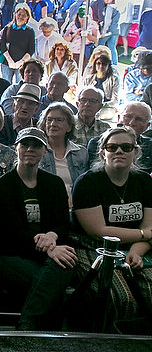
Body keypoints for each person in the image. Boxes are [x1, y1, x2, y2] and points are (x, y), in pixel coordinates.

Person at [0, 127, 75, 331]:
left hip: (47, 253)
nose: (30, 149)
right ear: (16, 148)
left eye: (36, 145)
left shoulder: (54, 183)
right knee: (52, 279)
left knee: (65, 264)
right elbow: (10, 233)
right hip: (9, 255)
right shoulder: (4, 185)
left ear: (44, 151)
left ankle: (26, 324)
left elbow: (63, 223)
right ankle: (42, 329)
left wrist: (52, 236)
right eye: (25, 144)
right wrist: (49, 248)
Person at [72, 126, 152, 325]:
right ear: (102, 152)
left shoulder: (144, 182)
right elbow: (100, 232)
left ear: (136, 152)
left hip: (137, 248)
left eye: (126, 147)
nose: (119, 152)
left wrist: (136, 252)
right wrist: (142, 235)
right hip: (94, 248)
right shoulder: (88, 182)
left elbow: (149, 229)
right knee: (121, 297)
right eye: (112, 147)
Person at [37, 102, 88, 202]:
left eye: (59, 120)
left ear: (69, 127)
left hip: (76, 205)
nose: (53, 124)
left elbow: (86, 186)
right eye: (49, 120)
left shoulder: (81, 153)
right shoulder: (37, 151)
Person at [87, 102, 152, 174]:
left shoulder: (150, 146)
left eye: (139, 119)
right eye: (128, 116)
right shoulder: (97, 143)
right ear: (118, 118)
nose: (131, 123)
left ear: (147, 126)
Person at [0, 4, 36, 83]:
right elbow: (2, 45)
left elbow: (31, 49)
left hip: (22, 64)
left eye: (24, 15)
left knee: (20, 85)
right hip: (7, 62)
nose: (21, 17)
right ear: (15, 15)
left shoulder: (30, 31)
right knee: (6, 84)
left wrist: (21, 62)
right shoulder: (8, 28)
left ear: (27, 17)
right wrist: (10, 60)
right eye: (19, 14)